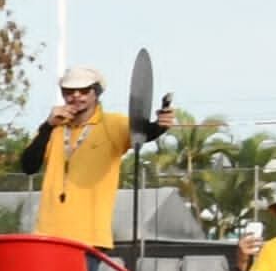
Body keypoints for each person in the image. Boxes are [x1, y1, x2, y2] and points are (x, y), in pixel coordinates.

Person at [30, 61, 174, 248]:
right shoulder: (53, 128)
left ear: (96, 93)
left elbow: (144, 132)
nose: (76, 96)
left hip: (90, 239)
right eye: (69, 91)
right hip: (47, 236)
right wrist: (48, 126)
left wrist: (160, 125)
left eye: (83, 91)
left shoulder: (113, 124)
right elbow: (29, 166)